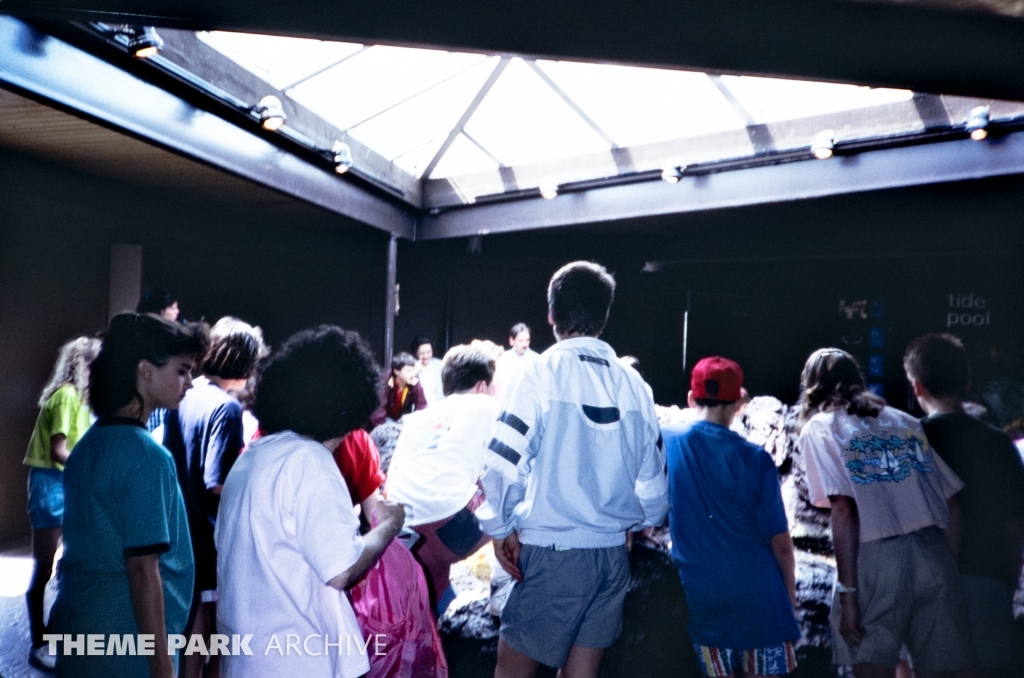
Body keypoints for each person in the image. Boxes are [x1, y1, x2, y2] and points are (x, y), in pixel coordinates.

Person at [476, 261, 669, 678]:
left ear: (550, 314)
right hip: (612, 559)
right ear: (604, 316)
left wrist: (500, 528)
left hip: (552, 555)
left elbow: (502, 464)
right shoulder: (635, 385)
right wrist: (637, 524)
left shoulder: (538, 373)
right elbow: (654, 490)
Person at [215, 325, 406, 678]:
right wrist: (390, 526)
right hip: (296, 659)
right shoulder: (310, 461)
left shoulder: (252, 457)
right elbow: (341, 570)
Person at [797, 348, 975, 677]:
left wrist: (849, 594)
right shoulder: (905, 421)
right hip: (934, 552)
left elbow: (844, 509)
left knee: (872, 669)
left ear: (811, 384)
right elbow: (953, 508)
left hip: (876, 561)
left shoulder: (821, 427)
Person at [51, 313, 205, 678]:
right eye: (182, 370)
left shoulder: (90, 445)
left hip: (82, 622)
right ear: (146, 371)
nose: (190, 383)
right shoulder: (147, 457)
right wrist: (162, 666)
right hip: (125, 637)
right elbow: (141, 569)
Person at [663, 356, 799, 677]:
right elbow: (780, 544)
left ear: (690, 398)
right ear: (739, 403)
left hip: (703, 603)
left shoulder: (667, 440)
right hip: (761, 606)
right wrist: (789, 602)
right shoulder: (756, 459)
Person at [903, 333, 1024, 676]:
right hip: (988, 588)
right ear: (968, 380)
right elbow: (1015, 529)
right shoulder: (1001, 446)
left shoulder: (909, 443)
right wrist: (1006, 587)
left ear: (917, 387)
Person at [163, 317, 263, 678]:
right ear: (243, 361)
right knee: (214, 627)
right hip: (210, 533)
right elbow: (217, 482)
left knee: (193, 622)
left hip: (179, 525)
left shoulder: (186, 394)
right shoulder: (227, 407)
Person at [386, 343, 501, 615]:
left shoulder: (418, 418)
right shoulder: (485, 404)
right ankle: (504, 598)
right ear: (482, 385)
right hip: (451, 531)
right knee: (517, 488)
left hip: (402, 536)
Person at [23, 336, 102, 671]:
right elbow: (58, 449)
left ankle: (58, 634)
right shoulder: (65, 396)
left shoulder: (81, 400)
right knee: (44, 568)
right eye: (93, 364)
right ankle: (39, 643)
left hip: (67, 484)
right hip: (50, 486)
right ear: (80, 364)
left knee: (71, 564)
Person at [371, 352, 428, 427]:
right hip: (383, 420)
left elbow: (422, 408)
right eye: (408, 370)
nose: (412, 374)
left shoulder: (414, 381)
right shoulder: (384, 381)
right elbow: (378, 414)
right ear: (396, 371)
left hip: (401, 420)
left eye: (413, 370)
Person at [491, 323, 538, 403]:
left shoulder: (536, 360)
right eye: (521, 340)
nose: (525, 344)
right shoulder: (503, 358)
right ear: (511, 341)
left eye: (527, 340)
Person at [411, 336, 445, 405]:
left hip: (439, 408)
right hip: (419, 411)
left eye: (429, 352)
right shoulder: (410, 367)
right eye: (422, 353)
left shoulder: (441, 365)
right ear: (415, 352)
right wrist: (414, 372)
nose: (425, 356)